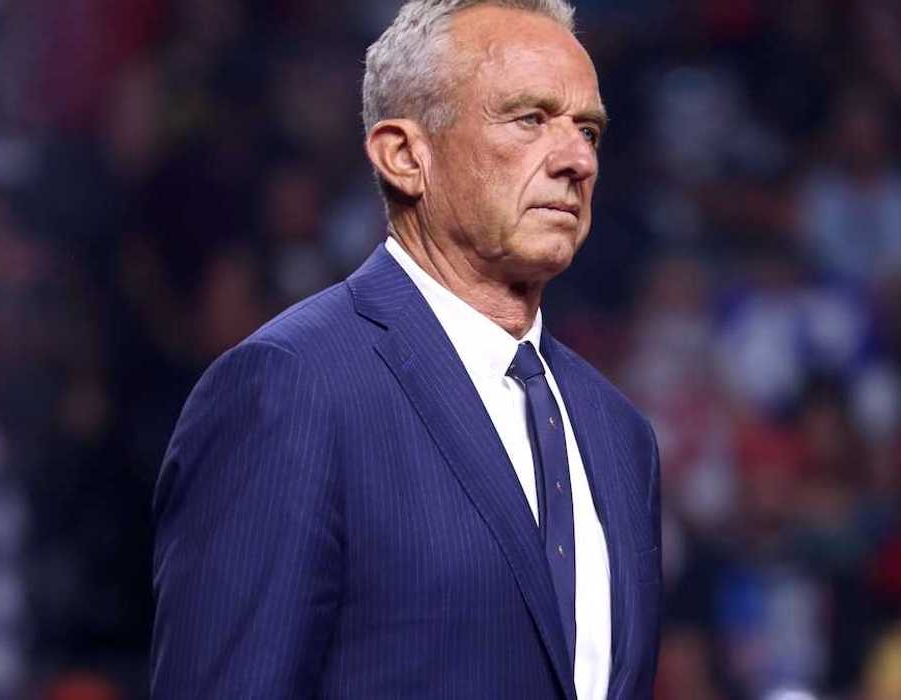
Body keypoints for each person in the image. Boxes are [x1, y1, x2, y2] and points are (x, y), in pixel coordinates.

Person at [149, 1, 661, 697]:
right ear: (403, 156)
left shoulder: (618, 432)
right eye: (529, 119)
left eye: (589, 131)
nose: (575, 160)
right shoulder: (292, 388)